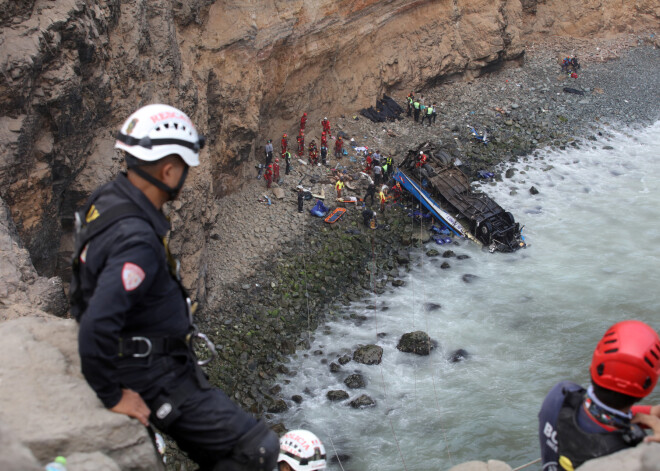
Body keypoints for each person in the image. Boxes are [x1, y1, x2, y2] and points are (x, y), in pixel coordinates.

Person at [73, 104, 278, 471]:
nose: (186, 176)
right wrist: (111, 394)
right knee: (258, 448)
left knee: (217, 445)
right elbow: (96, 323)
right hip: (152, 373)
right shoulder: (136, 241)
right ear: (168, 171)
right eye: (184, 168)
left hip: (152, 357)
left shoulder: (107, 200)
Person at [538, 320, 660, 471]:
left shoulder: (559, 395)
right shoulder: (636, 456)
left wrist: (649, 412)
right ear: (648, 388)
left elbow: (598, 412)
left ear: (593, 366)